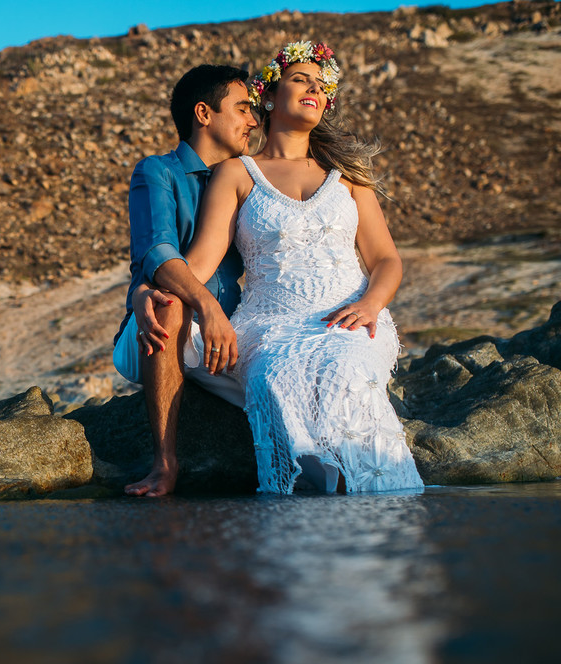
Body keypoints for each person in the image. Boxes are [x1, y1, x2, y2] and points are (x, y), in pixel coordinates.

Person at [133, 40, 423, 494]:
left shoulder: (348, 174)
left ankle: (375, 504)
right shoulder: (237, 173)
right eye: (300, 78)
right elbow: (202, 260)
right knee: (271, 376)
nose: (314, 88)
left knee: (344, 369)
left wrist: (371, 304)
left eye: (322, 85)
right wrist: (150, 291)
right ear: (269, 96)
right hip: (270, 324)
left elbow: (386, 259)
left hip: (349, 316)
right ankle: (297, 519)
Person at [113, 64, 259, 497]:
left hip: (227, 333)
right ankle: (164, 464)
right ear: (203, 113)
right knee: (168, 303)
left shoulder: (249, 177)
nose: (253, 120)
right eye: (243, 108)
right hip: (153, 331)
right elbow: (157, 254)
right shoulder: (157, 171)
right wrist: (206, 306)